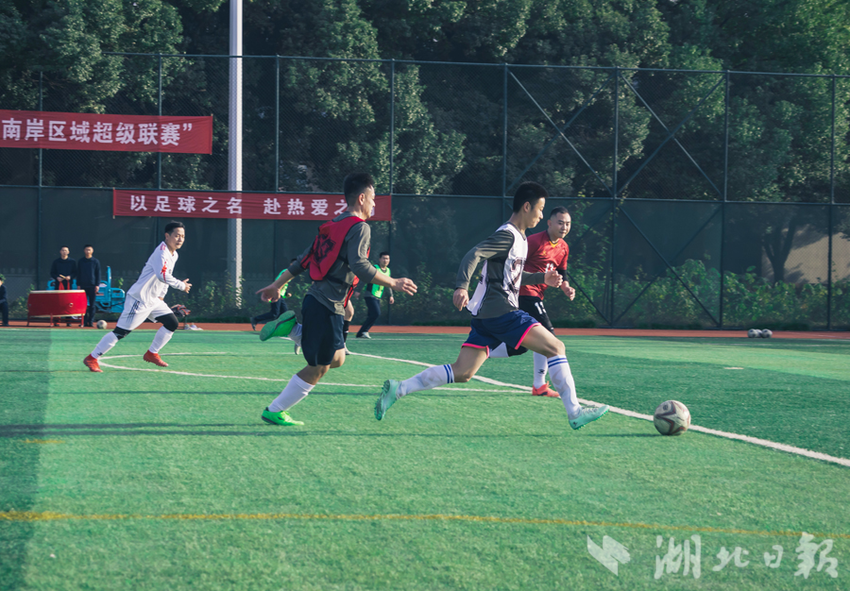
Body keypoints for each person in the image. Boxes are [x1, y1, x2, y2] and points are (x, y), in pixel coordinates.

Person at [374, 181, 608, 431]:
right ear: (526, 207)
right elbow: (473, 254)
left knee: (462, 372)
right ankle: (575, 413)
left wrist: (542, 278)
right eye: (540, 209)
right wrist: (461, 286)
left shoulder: (520, 239)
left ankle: (399, 389)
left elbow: (513, 276)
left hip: (487, 316)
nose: (541, 215)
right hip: (502, 311)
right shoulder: (508, 235)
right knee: (556, 347)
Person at [255, 172, 417, 426]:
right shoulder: (360, 227)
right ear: (361, 198)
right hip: (327, 306)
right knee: (319, 367)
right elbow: (360, 265)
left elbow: (303, 260)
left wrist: (278, 284)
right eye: (373, 198)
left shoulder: (331, 225)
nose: (374, 204)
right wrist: (393, 282)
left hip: (320, 301)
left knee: (338, 358)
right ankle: (275, 409)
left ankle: (295, 331)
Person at [83, 222, 192, 372]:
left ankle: (152, 353)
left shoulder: (174, 254)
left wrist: (161, 296)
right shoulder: (162, 252)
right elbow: (162, 275)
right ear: (167, 236)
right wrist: (181, 285)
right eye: (177, 235)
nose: (180, 239)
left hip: (154, 300)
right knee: (120, 332)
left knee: (171, 323)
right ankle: (92, 357)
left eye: (183, 236)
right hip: (139, 299)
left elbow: (166, 276)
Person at [518, 206, 576, 397]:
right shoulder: (534, 241)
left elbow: (562, 271)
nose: (564, 227)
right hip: (524, 293)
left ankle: (482, 350)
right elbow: (514, 265)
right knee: (549, 339)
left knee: (519, 345)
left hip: (536, 295)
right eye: (560, 223)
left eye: (567, 224)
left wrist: (566, 287)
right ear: (549, 223)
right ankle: (542, 386)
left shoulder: (563, 247)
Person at [355, 251, 394, 339]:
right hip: (370, 295)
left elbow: (389, 283)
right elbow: (364, 278)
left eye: (387, 259)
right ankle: (364, 331)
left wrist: (391, 295)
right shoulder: (374, 268)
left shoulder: (388, 271)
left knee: (372, 314)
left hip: (378, 296)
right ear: (379, 259)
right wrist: (358, 290)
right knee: (376, 313)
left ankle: (361, 333)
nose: (385, 260)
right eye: (383, 258)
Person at [251, 262, 294, 332]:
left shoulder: (289, 274)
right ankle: (256, 319)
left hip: (280, 296)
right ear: (291, 264)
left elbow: (282, 285)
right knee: (274, 314)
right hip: (275, 294)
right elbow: (279, 283)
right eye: (294, 264)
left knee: (285, 313)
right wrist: (275, 292)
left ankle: (279, 329)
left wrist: (286, 294)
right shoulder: (286, 272)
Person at [50, 246, 77, 326]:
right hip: (58, 285)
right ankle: (57, 321)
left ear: (68, 252)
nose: (64, 252)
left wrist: (70, 277)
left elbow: (75, 272)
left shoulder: (72, 262)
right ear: (60, 251)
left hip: (68, 285)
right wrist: (57, 278)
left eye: (66, 250)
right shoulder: (56, 262)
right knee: (58, 302)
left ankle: (68, 321)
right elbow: (52, 273)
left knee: (68, 302)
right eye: (63, 250)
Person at [76, 245, 102, 327]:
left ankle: (90, 322)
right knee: (83, 305)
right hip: (83, 286)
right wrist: (78, 284)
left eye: (89, 250)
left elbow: (98, 274)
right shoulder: (81, 261)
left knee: (92, 305)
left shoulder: (96, 261)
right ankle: (83, 322)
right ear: (84, 251)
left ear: (92, 251)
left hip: (92, 286)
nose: (88, 251)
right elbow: (78, 273)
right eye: (86, 249)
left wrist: (97, 285)